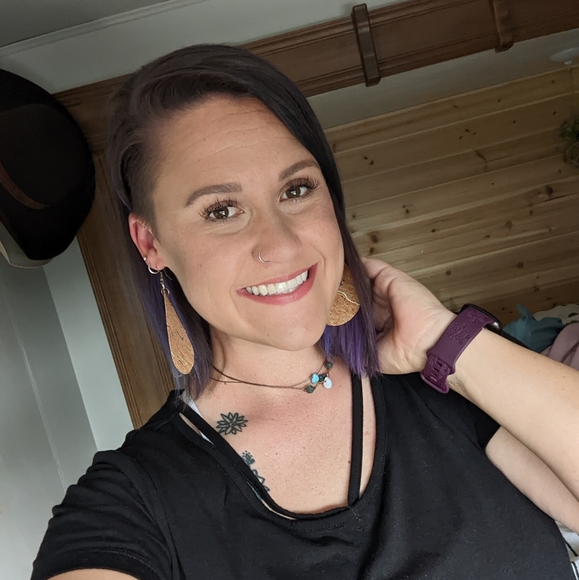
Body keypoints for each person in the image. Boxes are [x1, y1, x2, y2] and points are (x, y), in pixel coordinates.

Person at [32, 44, 579, 580]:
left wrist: (449, 340)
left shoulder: (444, 379)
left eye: (296, 189)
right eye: (221, 210)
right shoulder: (129, 504)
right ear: (151, 243)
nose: (282, 243)